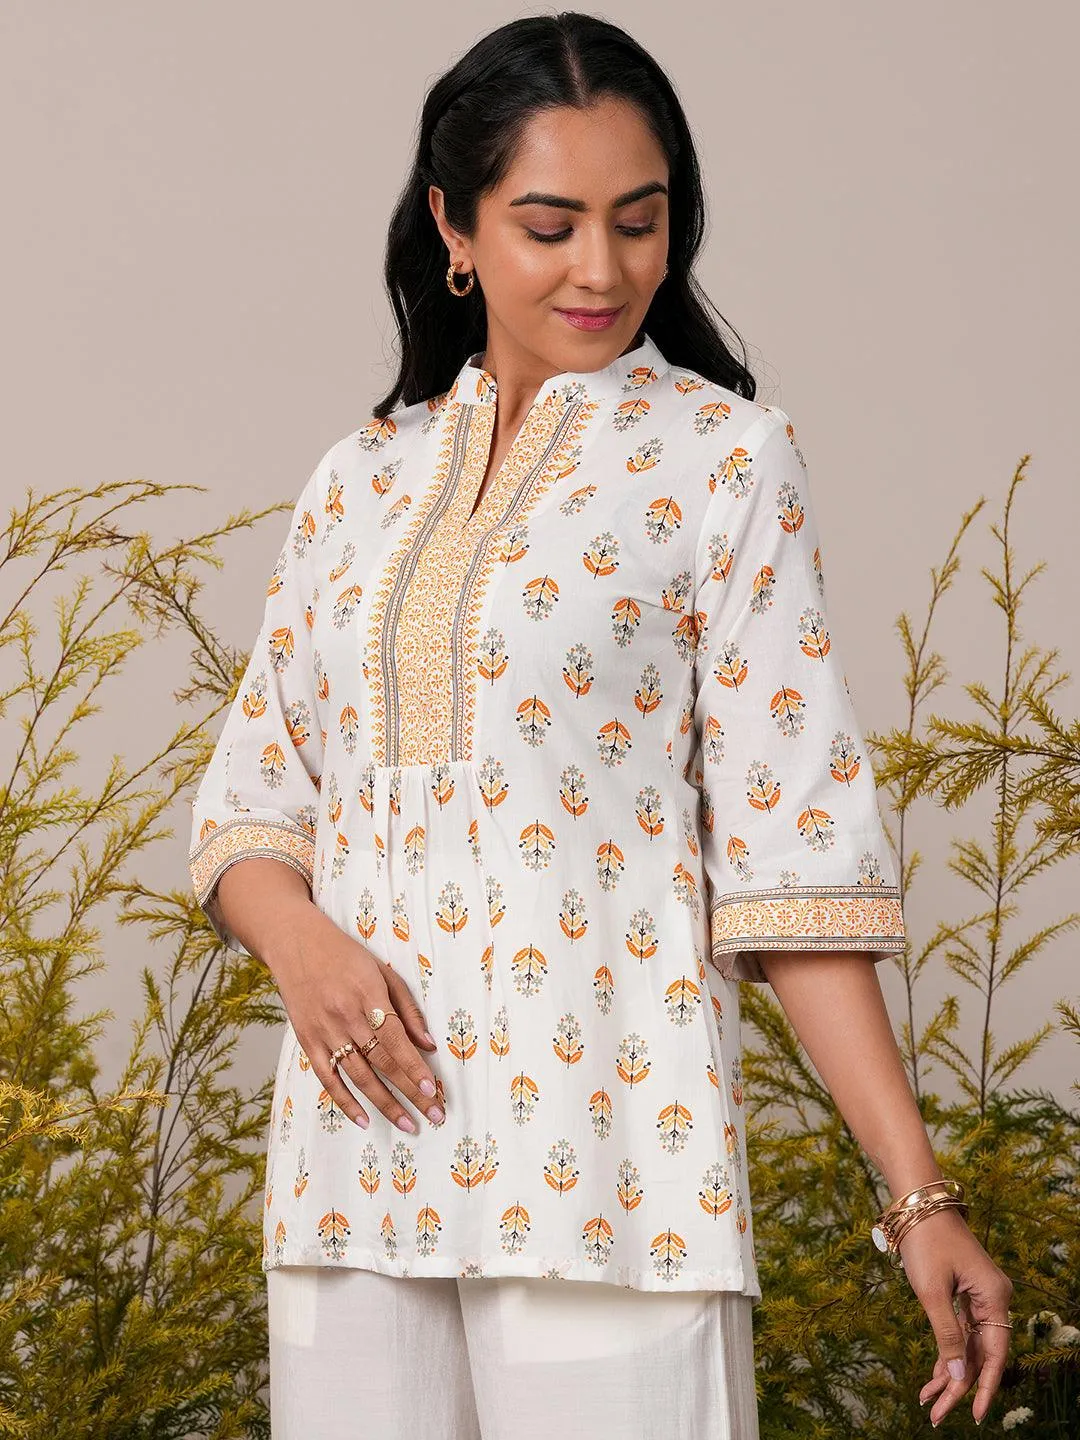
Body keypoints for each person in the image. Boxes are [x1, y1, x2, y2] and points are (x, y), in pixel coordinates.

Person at [187, 12, 1013, 1437]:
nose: (604, 269)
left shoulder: (724, 463)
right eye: (550, 224)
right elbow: (252, 803)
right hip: (354, 1173)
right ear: (454, 226)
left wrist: (918, 1197)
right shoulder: (362, 480)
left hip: (611, 1172)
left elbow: (793, 861)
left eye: (641, 222)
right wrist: (302, 947)